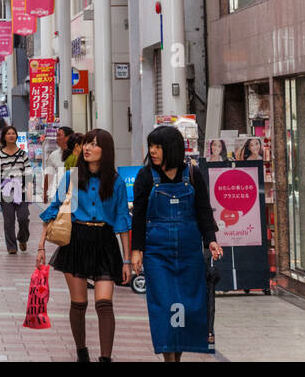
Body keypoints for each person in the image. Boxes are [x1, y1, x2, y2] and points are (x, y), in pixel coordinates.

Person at [37, 129, 131, 362]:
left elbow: (122, 221)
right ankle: (81, 352)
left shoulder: (116, 182)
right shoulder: (72, 176)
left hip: (105, 241)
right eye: (87, 143)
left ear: (105, 151)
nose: (87, 148)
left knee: (104, 303)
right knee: (79, 303)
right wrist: (41, 246)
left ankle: (105, 358)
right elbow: (56, 209)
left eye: (94, 145)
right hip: (76, 240)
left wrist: (127, 260)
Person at [131, 125, 222, 361]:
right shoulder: (145, 176)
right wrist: (136, 250)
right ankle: (168, 358)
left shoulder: (192, 174)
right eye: (151, 146)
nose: (152, 151)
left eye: (158, 146)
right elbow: (139, 215)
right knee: (163, 305)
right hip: (157, 254)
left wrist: (211, 240)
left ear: (171, 148)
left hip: (190, 253)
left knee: (187, 305)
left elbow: (203, 210)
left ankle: (177, 357)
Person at [0, 125, 32, 254]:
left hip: (21, 191)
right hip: (5, 192)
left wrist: (29, 190)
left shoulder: (23, 154)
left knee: (23, 218)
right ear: (4, 137)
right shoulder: (0, 155)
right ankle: (12, 246)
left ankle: (22, 238)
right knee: (9, 220)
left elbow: (28, 173)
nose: (11, 135)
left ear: (17, 136)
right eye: (8, 134)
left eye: (13, 133)